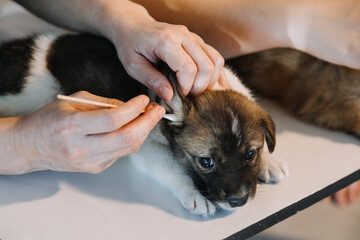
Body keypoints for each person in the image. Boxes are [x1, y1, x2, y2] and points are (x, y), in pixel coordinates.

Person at [2, 0, 359, 205]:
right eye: (206, 161)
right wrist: (19, 142)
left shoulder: (235, 104)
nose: (237, 190)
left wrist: (125, 20)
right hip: (39, 69)